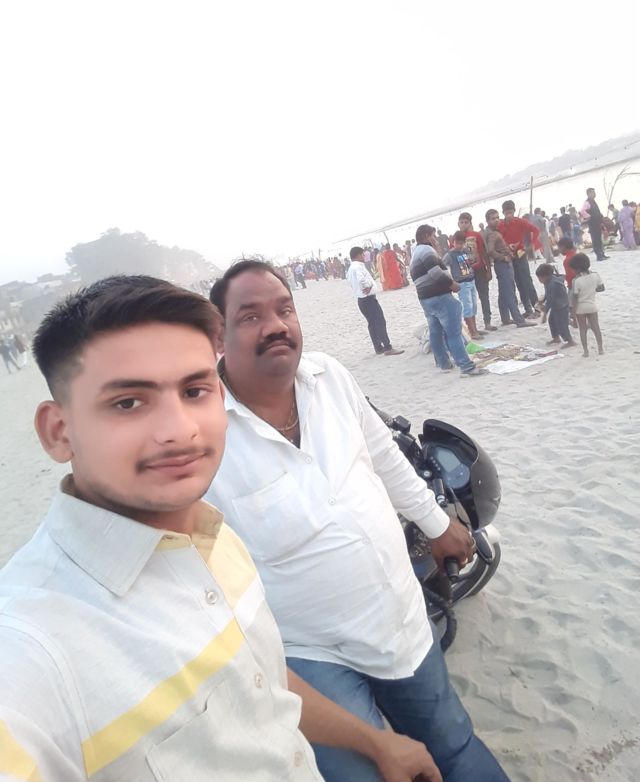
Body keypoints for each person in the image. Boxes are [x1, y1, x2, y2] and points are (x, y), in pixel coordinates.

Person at [0, 275, 445, 782]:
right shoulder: (32, 650)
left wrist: (374, 741)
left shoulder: (216, 538)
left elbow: (257, 677)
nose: (180, 430)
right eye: (128, 402)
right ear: (59, 431)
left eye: (194, 391)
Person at [207, 261, 508, 781]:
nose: (276, 325)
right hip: (309, 654)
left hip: (400, 618)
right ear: (219, 334)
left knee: (453, 745)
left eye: (284, 309)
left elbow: (386, 456)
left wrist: (436, 524)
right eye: (250, 316)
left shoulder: (329, 376)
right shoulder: (204, 430)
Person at [410, 225, 486, 375]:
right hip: (439, 296)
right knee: (454, 333)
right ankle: (466, 366)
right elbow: (435, 272)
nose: (435, 239)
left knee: (436, 332)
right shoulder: (426, 250)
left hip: (426, 299)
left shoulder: (415, 254)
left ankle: (443, 363)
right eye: (433, 236)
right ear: (426, 236)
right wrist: (452, 284)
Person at [347, 248, 404, 356]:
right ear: (358, 255)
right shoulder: (357, 267)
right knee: (379, 321)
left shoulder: (351, 268)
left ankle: (378, 347)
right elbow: (361, 280)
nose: (364, 257)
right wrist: (367, 287)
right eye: (362, 255)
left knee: (372, 323)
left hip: (361, 299)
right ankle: (387, 347)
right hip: (368, 298)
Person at [485, 209, 535, 329]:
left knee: (504, 292)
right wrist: (503, 257)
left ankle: (505, 318)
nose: (496, 220)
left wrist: (508, 247)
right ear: (487, 221)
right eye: (493, 218)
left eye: (497, 217)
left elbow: (496, 248)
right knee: (509, 292)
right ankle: (519, 320)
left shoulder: (494, 232)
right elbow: (490, 251)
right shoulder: (492, 234)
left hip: (502, 264)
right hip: (502, 265)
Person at [497, 200, 540, 318]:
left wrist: (531, 244)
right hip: (509, 255)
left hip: (521, 253)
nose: (509, 215)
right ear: (503, 212)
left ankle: (537, 308)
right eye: (506, 212)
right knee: (519, 283)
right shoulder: (500, 225)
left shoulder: (521, 221)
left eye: (510, 212)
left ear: (514, 211)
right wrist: (507, 246)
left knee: (527, 281)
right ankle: (528, 309)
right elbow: (499, 240)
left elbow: (535, 230)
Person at [457, 212, 496, 331]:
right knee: (469, 300)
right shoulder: (456, 237)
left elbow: (483, 252)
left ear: (470, 223)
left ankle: (487, 322)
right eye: (461, 222)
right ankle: (473, 328)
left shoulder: (476, 235)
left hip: (479, 269)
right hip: (466, 272)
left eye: (466, 222)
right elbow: (455, 256)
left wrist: (489, 269)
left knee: (484, 297)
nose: (464, 224)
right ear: (458, 224)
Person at [442, 231, 484, 339]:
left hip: (471, 279)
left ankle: (474, 329)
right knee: (467, 307)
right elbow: (442, 266)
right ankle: (472, 331)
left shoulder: (464, 251)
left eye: (461, 243)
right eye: (458, 243)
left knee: (473, 306)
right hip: (462, 282)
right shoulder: (450, 254)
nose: (459, 245)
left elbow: (471, 260)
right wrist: (450, 280)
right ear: (453, 242)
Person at [569, 253, 605, 357]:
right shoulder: (595, 275)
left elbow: (575, 298)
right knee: (596, 327)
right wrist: (592, 290)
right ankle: (600, 349)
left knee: (583, 329)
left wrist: (572, 312)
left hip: (581, 308)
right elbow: (601, 288)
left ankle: (586, 351)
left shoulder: (576, 281)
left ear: (577, 268)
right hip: (592, 305)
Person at [535, 264, 576, 348]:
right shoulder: (548, 281)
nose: (539, 280)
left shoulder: (553, 284)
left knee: (562, 325)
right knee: (552, 321)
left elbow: (550, 300)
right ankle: (556, 338)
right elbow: (548, 294)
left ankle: (570, 341)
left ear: (546, 276)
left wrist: (545, 314)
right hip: (556, 305)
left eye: (540, 278)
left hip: (561, 306)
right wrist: (543, 300)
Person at [580, 188, 608, 261]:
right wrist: (589, 217)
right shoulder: (587, 202)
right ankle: (599, 256)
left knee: (599, 239)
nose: (594, 194)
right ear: (589, 194)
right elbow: (582, 211)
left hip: (597, 223)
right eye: (593, 193)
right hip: (593, 224)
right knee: (595, 240)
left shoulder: (593, 201)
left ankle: (602, 254)